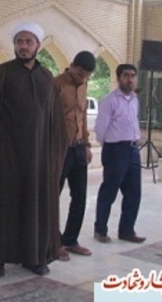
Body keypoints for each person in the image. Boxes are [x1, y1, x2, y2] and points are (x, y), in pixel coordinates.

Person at [0, 22, 67, 278]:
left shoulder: (47, 78)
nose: (23, 46)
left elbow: (54, 121)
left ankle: (33, 257)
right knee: (3, 205)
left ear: (38, 45)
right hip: (5, 156)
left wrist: (53, 156)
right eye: (19, 41)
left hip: (38, 159)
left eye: (28, 42)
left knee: (34, 205)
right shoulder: (0, 74)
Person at [93, 63, 146, 244]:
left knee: (134, 193)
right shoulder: (109, 101)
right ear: (118, 78)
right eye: (126, 76)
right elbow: (100, 129)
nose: (130, 79)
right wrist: (110, 146)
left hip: (133, 149)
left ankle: (126, 231)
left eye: (132, 75)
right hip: (116, 150)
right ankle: (100, 230)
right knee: (109, 191)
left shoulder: (135, 100)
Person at [54, 51, 96, 261]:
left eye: (86, 76)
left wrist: (87, 144)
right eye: (79, 73)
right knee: (53, 196)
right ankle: (53, 242)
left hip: (78, 148)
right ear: (71, 65)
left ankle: (70, 240)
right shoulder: (56, 85)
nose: (82, 78)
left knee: (80, 196)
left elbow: (83, 116)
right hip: (60, 149)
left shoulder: (83, 86)